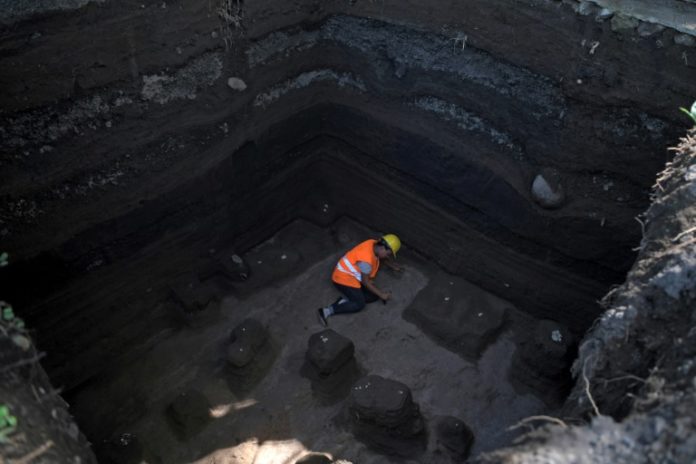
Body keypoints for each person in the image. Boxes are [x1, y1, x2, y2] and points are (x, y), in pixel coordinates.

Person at [318, 234, 403, 326]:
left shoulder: (373, 243)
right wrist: (382, 295)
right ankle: (326, 311)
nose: (387, 256)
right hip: (342, 278)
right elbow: (366, 282)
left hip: (352, 275)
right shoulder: (366, 260)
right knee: (359, 304)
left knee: (373, 296)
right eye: (388, 254)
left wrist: (392, 266)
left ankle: (347, 299)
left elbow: (380, 257)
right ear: (383, 247)